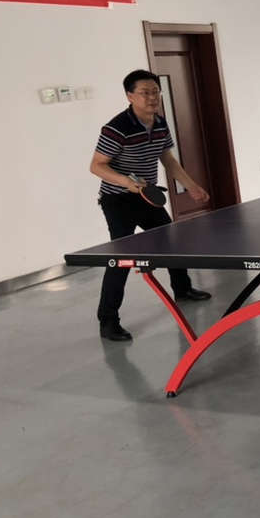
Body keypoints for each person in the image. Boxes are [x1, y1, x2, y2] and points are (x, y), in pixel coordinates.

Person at [90, 69, 212, 342]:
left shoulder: (159, 123)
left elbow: (167, 159)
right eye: (145, 92)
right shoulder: (116, 128)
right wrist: (126, 182)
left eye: (155, 91)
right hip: (118, 200)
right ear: (130, 96)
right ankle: (108, 321)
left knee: (172, 242)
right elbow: (96, 166)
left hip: (147, 196)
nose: (152, 97)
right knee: (121, 259)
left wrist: (191, 186)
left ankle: (182, 289)